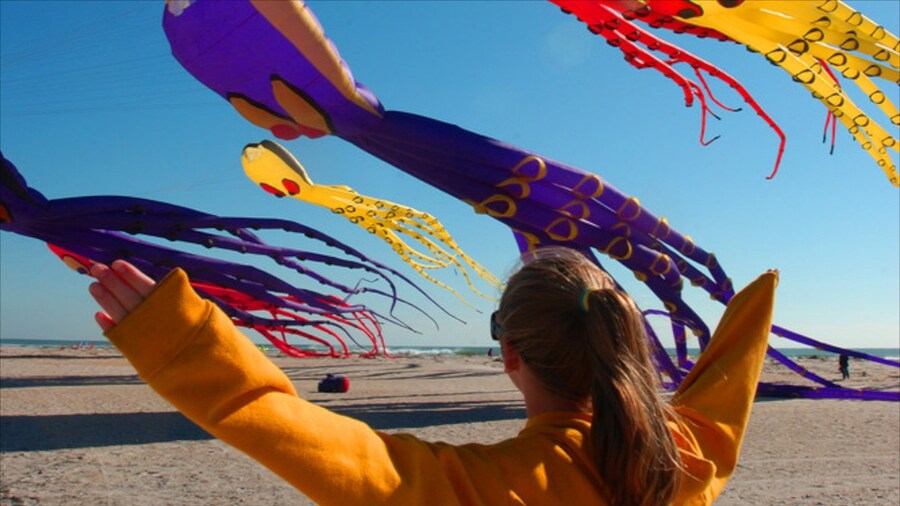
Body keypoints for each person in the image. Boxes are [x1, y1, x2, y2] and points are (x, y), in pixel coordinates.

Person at [87, 248, 778, 505]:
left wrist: (182, 345)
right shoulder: (689, 457)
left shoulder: (482, 488)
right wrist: (754, 309)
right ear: (625, 341)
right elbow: (728, 388)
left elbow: (300, 434)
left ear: (508, 356)